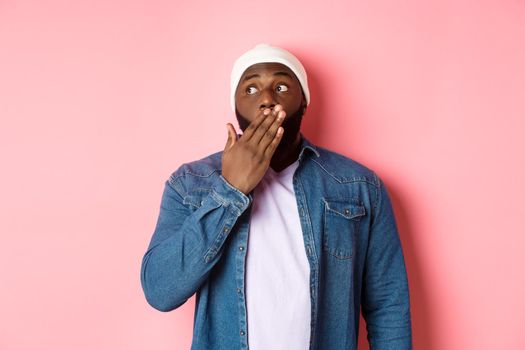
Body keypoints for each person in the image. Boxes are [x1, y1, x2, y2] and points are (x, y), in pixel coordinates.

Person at [140, 43, 413, 350]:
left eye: (281, 86)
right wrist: (230, 190)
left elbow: (388, 305)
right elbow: (160, 291)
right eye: (251, 89)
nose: (267, 99)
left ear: (304, 102)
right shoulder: (190, 184)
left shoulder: (359, 186)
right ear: (235, 105)